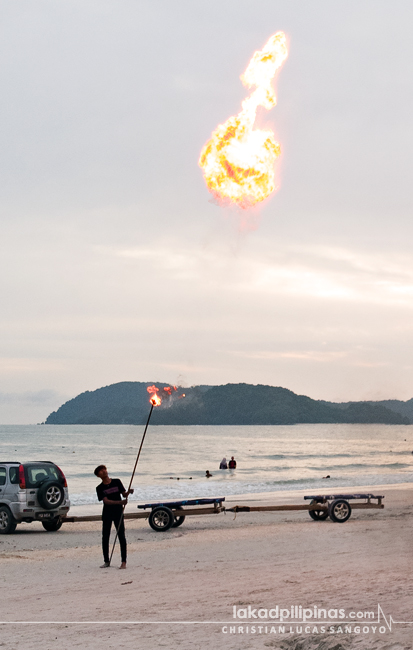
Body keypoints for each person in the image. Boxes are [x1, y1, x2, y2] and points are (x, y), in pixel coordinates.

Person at [94, 465, 134, 569]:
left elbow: (124, 494)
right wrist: (120, 502)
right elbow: (106, 501)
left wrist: (128, 492)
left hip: (118, 513)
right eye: (101, 471)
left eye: (104, 469)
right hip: (107, 513)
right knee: (105, 537)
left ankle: (123, 562)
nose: (104, 471)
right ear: (98, 475)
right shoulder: (99, 488)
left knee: (121, 536)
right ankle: (106, 561)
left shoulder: (117, 481)